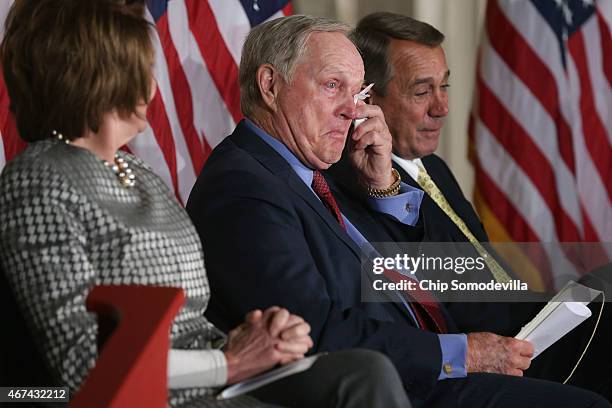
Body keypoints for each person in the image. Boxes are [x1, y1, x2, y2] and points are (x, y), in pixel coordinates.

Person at [186, 13, 610, 408]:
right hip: (402, 382)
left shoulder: (315, 171)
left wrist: (385, 189)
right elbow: (315, 331)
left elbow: (430, 271)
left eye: (358, 93)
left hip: (452, 351)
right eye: (333, 86)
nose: (353, 110)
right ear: (270, 85)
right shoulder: (245, 188)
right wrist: (466, 353)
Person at [0, 1, 413, 407]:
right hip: (152, 393)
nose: (152, 85)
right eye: (141, 67)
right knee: (368, 377)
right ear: (93, 75)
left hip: (217, 373)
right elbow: (83, 364)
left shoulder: (136, 173)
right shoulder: (38, 180)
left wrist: (254, 340)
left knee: (364, 373)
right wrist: (229, 361)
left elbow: (188, 320)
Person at [335, 11, 612, 400]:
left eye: (444, 87)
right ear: (369, 96)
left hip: (528, 322)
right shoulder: (358, 183)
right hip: (492, 355)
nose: (442, 107)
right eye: (421, 91)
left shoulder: (433, 167)